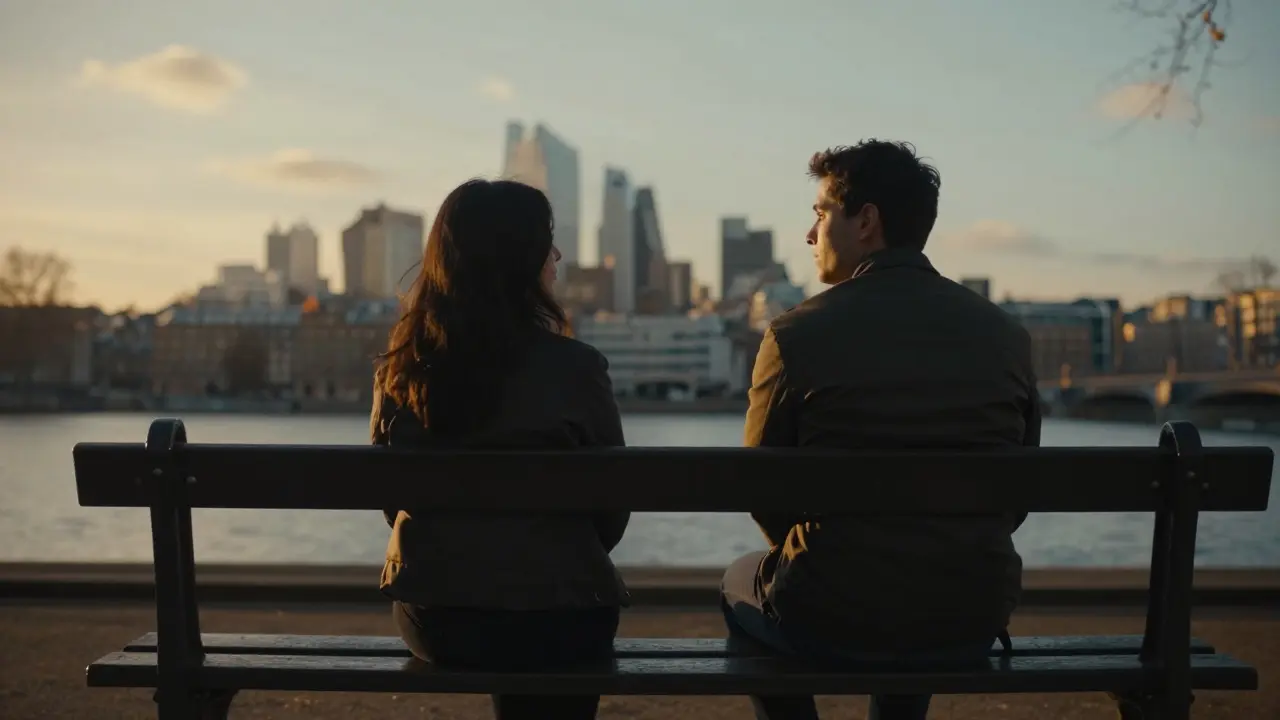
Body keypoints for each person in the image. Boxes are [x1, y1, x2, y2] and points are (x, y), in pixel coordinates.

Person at [721, 140, 1041, 720]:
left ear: (866, 221)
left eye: (821, 214)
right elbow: (1015, 495)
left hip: (832, 614)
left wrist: (819, 556)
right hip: (969, 614)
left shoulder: (795, 335)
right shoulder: (1006, 336)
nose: (810, 235)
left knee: (740, 579)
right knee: (918, 581)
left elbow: (759, 487)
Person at [370, 178, 630, 720]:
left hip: (439, 617)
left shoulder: (402, 370)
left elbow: (391, 503)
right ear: (523, 258)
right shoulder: (578, 368)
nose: (556, 255)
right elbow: (611, 514)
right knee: (553, 635)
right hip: (561, 619)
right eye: (547, 241)